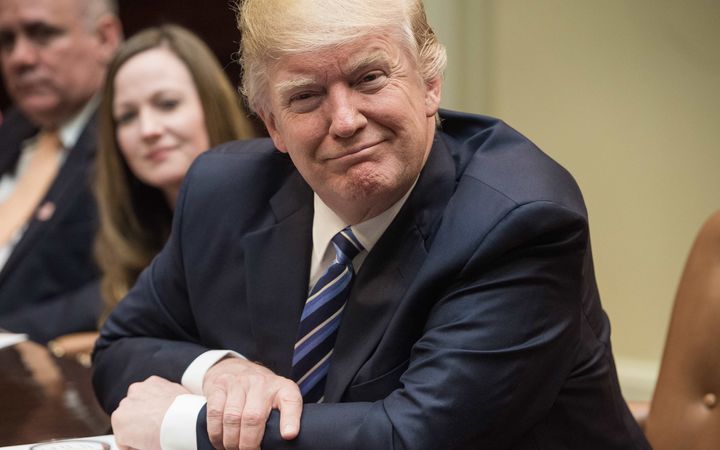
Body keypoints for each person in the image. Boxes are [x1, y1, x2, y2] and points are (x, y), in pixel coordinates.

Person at [93, 0, 651, 449]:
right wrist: (220, 374)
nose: (345, 121)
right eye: (305, 96)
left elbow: (416, 435)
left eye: (369, 78)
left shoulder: (519, 220)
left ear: (430, 84)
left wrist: (188, 426)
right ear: (272, 126)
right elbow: (122, 345)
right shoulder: (223, 190)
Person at [0, 0, 122, 343]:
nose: (19, 58)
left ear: (104, 38)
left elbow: (138, 279)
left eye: (42, 34)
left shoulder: (136, 139)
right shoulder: (15, 127)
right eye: (6, 40)